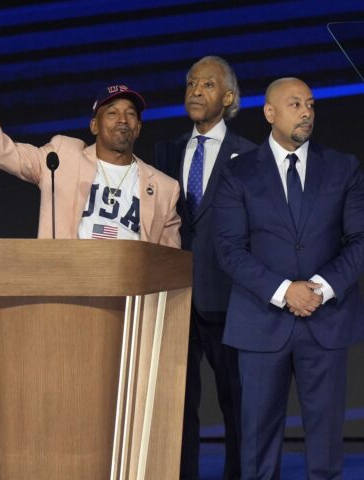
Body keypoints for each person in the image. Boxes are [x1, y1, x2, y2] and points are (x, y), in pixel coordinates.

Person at [214, 77, 364, 479]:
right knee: (258, 451)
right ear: (269, 113)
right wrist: (284, 292)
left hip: (326, 319)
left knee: (327, 449)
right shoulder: (238, 173)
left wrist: (318, 289)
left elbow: (359, 239)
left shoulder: (343, 167)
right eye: (295, 104)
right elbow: (229, 249)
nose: (307, 112)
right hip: (261, 323)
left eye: (311, 104)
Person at [0, 44, 181, 246]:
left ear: (139, 127)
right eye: (112, 113)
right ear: (94, 126)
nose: (123, 119)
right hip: (69, 283)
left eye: (130, 114)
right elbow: (2, 152)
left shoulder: (164, 188)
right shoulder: (62, 156)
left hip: (128, 286)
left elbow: (169, 265)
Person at [153, 56, 255, 480]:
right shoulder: (166, 151)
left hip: (230, 302)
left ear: (228, 97)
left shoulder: (250, 156)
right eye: (191, 82)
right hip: (176, 300)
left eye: (207, 84)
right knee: (177, 408)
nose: (195, 90)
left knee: (237, 407)